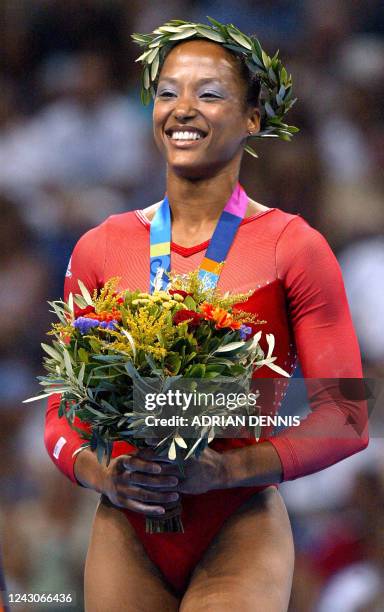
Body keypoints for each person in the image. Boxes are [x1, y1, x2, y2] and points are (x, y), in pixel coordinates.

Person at [44, 20, 369, 612]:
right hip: (127, 525)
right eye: (168, 92)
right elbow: (60, 421)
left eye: (209, 92)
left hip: (237, 524)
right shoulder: (102, 247)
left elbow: (346, 417)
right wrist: (104, 475)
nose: (182, 109)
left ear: (252, 119)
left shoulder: (292, 248)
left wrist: (228, 471)